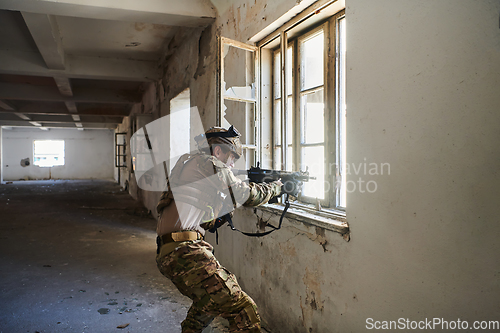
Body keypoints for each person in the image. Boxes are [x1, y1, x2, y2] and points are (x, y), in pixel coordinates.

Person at [155, 125, 282, 333]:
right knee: (243, 308)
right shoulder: (208, 162)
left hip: (173, 250)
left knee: (208, 303)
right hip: (184, 251)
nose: (232, 165)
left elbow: (207, 223)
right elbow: (245, 195)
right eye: (232, 158)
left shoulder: (190, 165)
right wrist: (276, 187)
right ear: (217, 152)